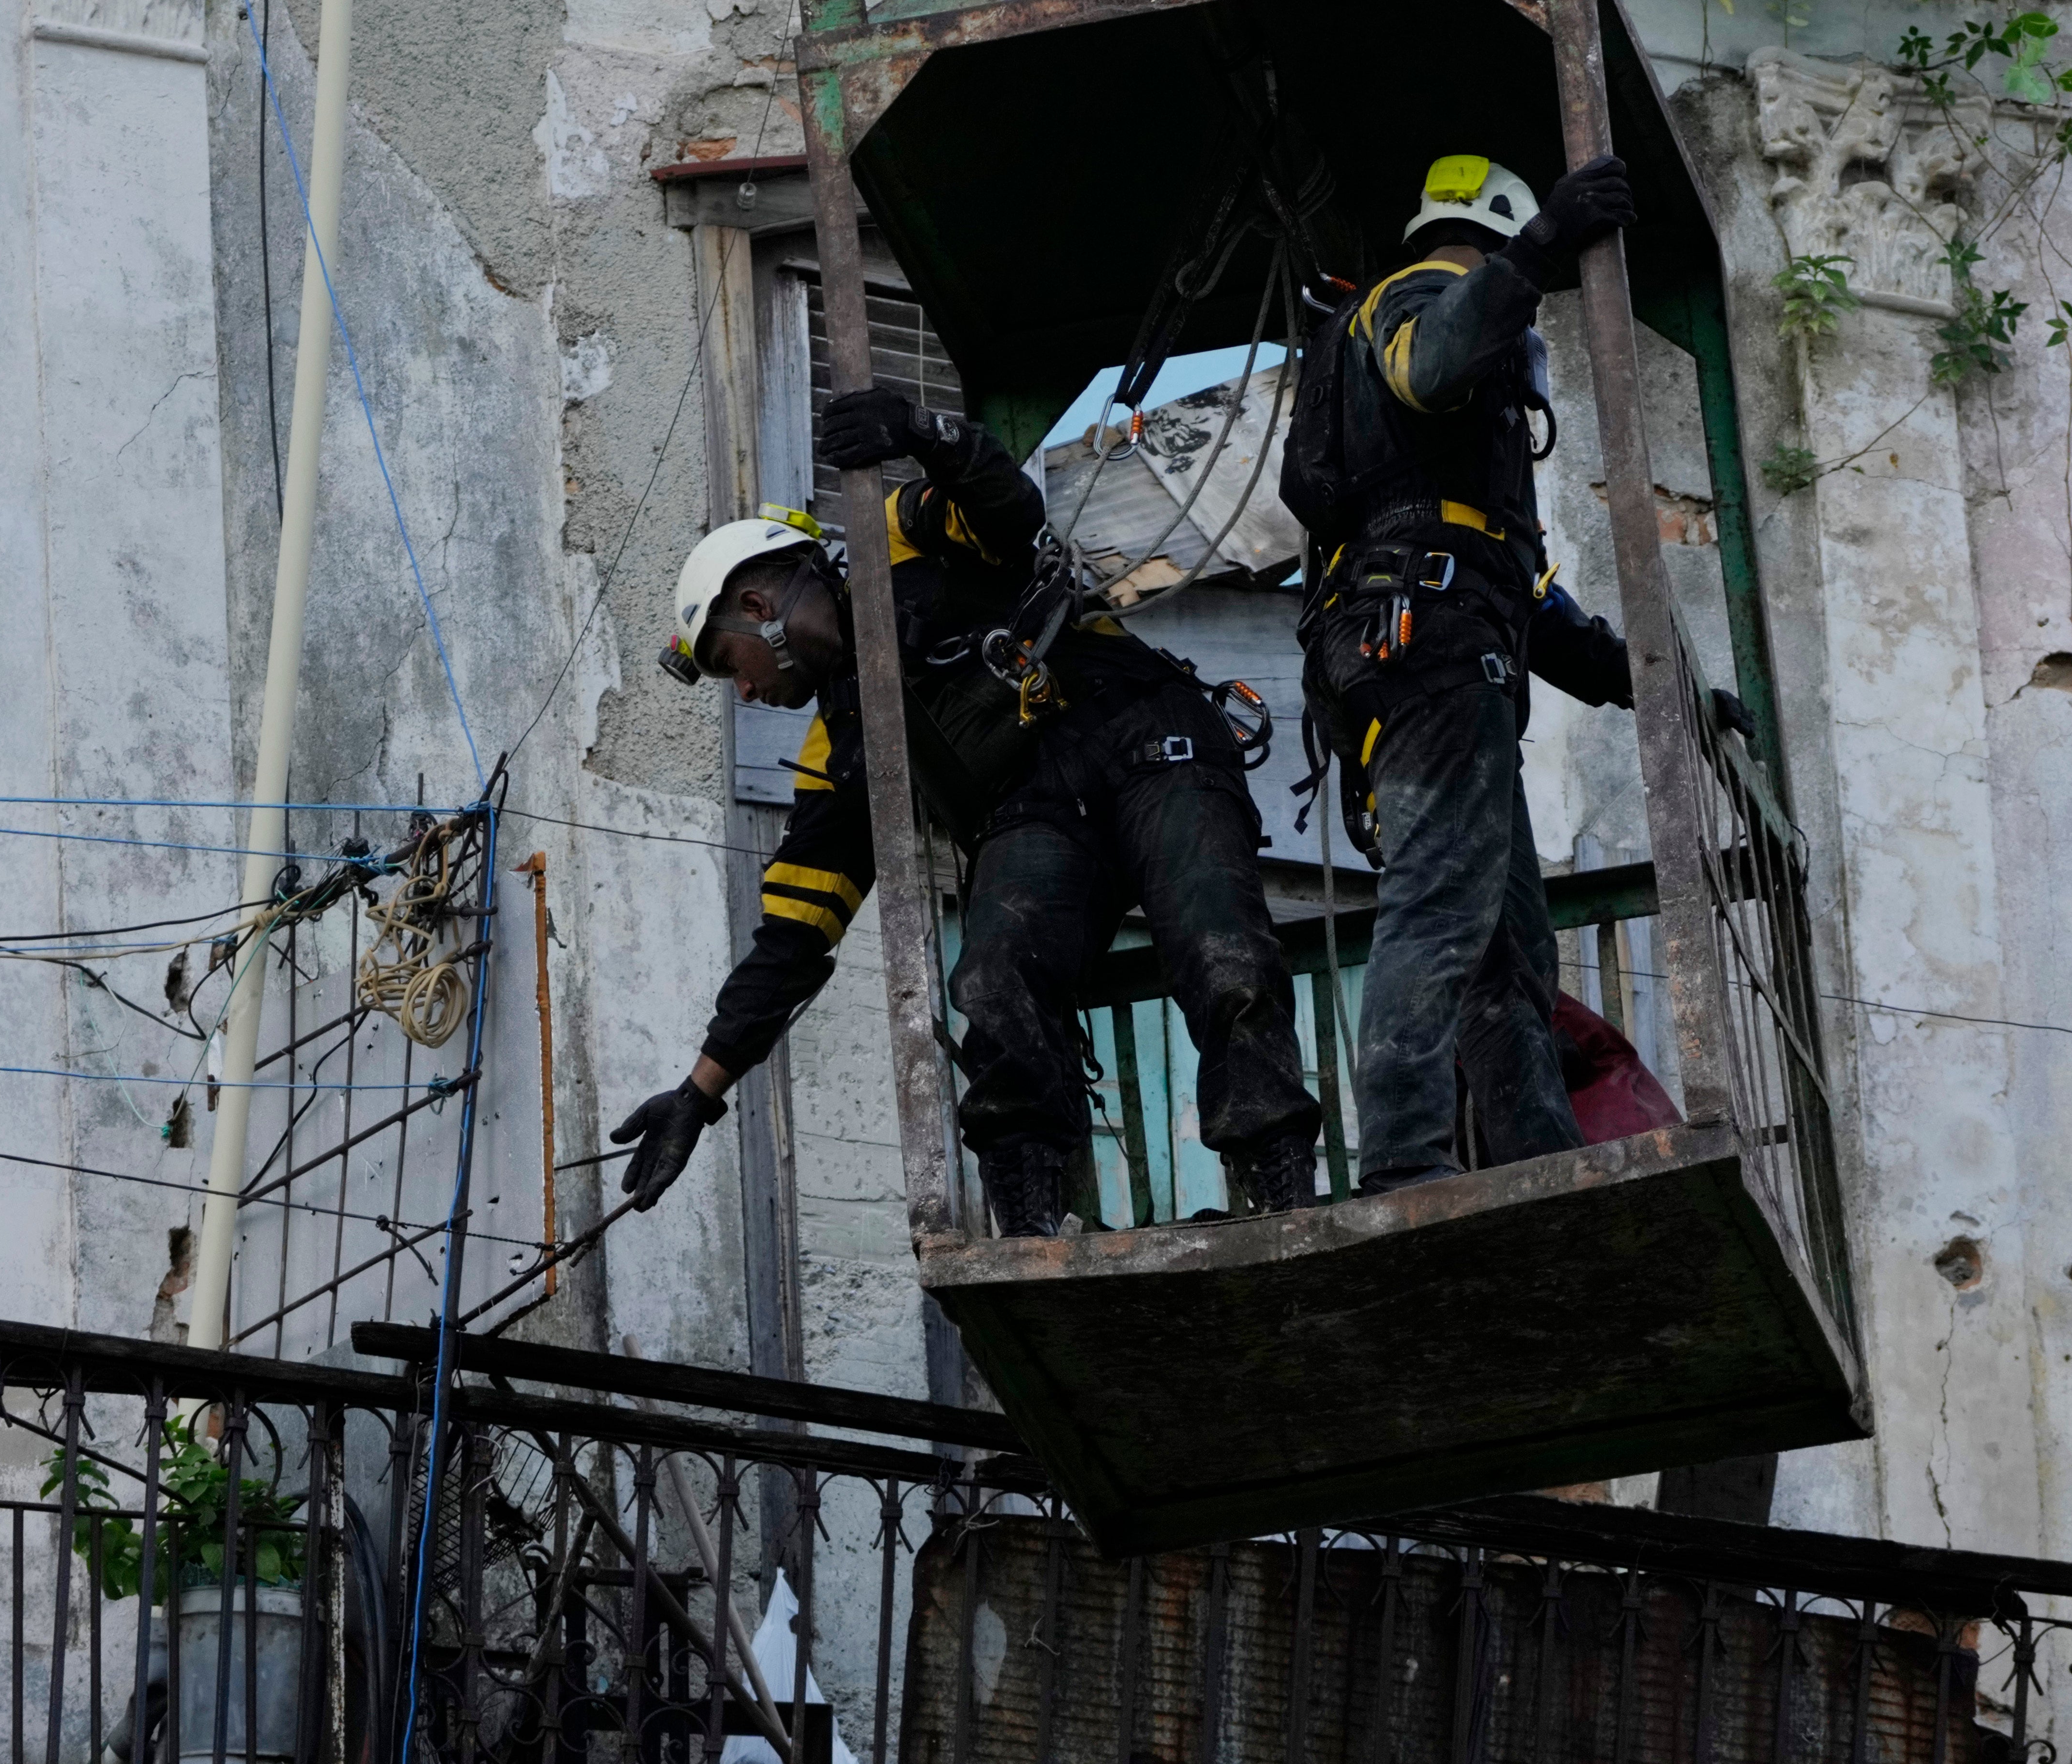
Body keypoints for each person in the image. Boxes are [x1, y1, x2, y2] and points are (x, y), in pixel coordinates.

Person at [610, 386, 1320, 1237]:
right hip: (1036, 812)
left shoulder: (895, 540)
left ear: (756, 608)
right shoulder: (840, 754)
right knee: (994, 974)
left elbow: (1005, 511)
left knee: (1221, 945)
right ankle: (1029, 1223)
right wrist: (701, 1094)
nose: (752, 694)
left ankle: (1276, 1191)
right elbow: (791, 942)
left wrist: (924, 433)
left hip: (1146, 736)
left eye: (735, 666)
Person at [1294, 150, 1658, 1191]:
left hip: (1440, 637)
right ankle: (1403, 1159)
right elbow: (1428, 365)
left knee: (1507, 950)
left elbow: (1529, 599)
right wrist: (1539, 251)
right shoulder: (1425, 294)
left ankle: (1535, 1157)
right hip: (1432, 646)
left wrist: (1656, 686)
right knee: (1442, 907)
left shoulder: (1440, 485)